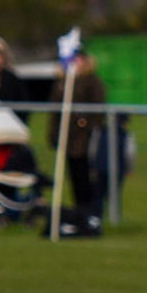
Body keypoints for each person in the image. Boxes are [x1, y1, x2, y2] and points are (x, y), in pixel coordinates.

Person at [47, 49, 107, 219]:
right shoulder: (62, 83)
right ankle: (79, 211)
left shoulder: (92, 81)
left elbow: (97, 111)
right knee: (74, 177)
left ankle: (91, 212)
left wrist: (88, 128)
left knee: (88, 177)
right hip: (68, 138)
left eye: (79, 58)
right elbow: (54, 113)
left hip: (86, 139)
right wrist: (53, 134)